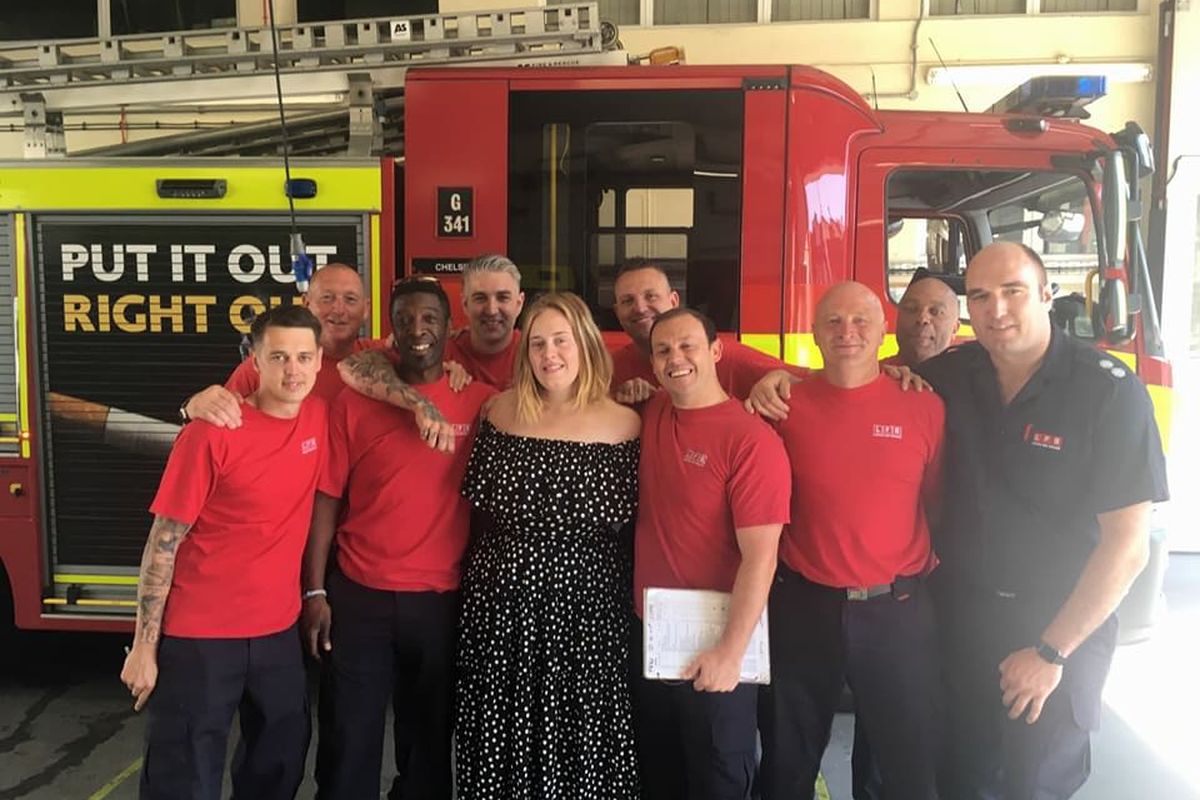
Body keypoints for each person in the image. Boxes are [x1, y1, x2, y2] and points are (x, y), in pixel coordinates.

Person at [917, 241, 1168, 799]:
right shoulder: (951, 376)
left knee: (1033, 784)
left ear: (1047, 295)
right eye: (980, 297)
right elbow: (869, 389)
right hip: (964, 620)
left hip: (1058, 627)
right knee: (960, 775)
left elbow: (1127, 546)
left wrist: (1051, 651)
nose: (996, 310)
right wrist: (776, 380)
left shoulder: (1107, 390)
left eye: (1013, 292)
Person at [119, 305, 327, 800]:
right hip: (200, 637)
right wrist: (145, 646)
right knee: (184, 772)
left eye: (303, 357)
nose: (292, 370)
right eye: (278, 356)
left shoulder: (319, 416)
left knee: (279, 758)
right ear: (254, 360)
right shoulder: (211, 433)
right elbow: (162, 542)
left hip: (277, 631)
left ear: (320, 360)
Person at [302, 278, 496, 800]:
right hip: (359, 596)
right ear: (389, 329)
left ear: (449, 328)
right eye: (406, 319)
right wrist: (315, 591)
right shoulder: (352, 401)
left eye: (430, 318)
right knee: (347, 737)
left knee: (429, 739)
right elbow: (326, 499)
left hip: (441, 602)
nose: (417, 330)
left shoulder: (481, 403)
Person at [758, 282, 943, 800]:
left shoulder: (924, 406)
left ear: (884, 331)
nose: (847, 332)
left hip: (897, 610)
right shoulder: (783, 402)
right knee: (786, 760)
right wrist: (771, 377)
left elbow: (940, 500)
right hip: (803, 607)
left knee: (905, 765)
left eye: (861, 321)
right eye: (833, 322)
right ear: (814, 332)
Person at [454, 291, 642, 800]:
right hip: (502, 608)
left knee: (581, 734)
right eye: (537, 342)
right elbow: (477, 514)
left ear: (584, 343)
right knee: (500, 729)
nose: (549, 354)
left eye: (561, 340)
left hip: (589, 612)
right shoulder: (497, 413)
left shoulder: (628, 424)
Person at [633, 307, 791, 800]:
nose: (675, 359)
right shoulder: (654, 411)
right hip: (652, 638)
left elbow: (761, 558)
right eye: (662, 350)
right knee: (660, 775)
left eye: (688, 347)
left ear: (716, 352)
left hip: (717, 642)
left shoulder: (751, 440)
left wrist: (729, 652)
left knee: (718, 776)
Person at [184, 263, 462, 451]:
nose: (339, 310)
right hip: (288, 513)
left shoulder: (381, 356)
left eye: (350, 300)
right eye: (327, 298)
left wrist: (455, 367)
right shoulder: (265, 368)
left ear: (366, 310)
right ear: (307, 303)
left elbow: (427, 354)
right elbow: (212, 428)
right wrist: (192, 406)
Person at [609, 258, 801, 404]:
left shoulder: (727, 356)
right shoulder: (611, 369)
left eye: (651, 296)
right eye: (627, 301)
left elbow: (810, 381)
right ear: (617, 312)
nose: (640, 308)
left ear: (674, 301)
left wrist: (781, 378)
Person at [444, 253, 525, 388]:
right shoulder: (441, 356)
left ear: (519, 304)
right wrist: (438, 376)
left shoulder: (535, 354)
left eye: (502, 297)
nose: (492, 310)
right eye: (480, 298)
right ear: (465, 304)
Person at [890, 269, 962, 367]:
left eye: (935, 312)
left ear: (955, 328)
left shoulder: (971, 380)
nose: (922, 318)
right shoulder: (873, 375)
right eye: (911, 309)